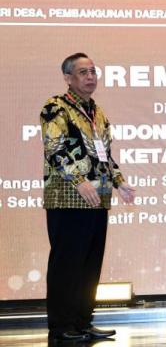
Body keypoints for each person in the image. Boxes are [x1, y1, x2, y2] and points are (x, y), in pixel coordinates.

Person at [41, 52, 135, 342]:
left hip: (98, 198)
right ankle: (61, 327)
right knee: (67, 264)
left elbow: (104, 154)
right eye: (83, 72)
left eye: (93, 71)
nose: (91, 77)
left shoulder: (96, 111)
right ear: (68, 78)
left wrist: (119, 182)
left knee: (89, 265)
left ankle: (82, 322)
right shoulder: (55, 108)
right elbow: (54, 148)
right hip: (68, 197)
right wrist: (79, 181)